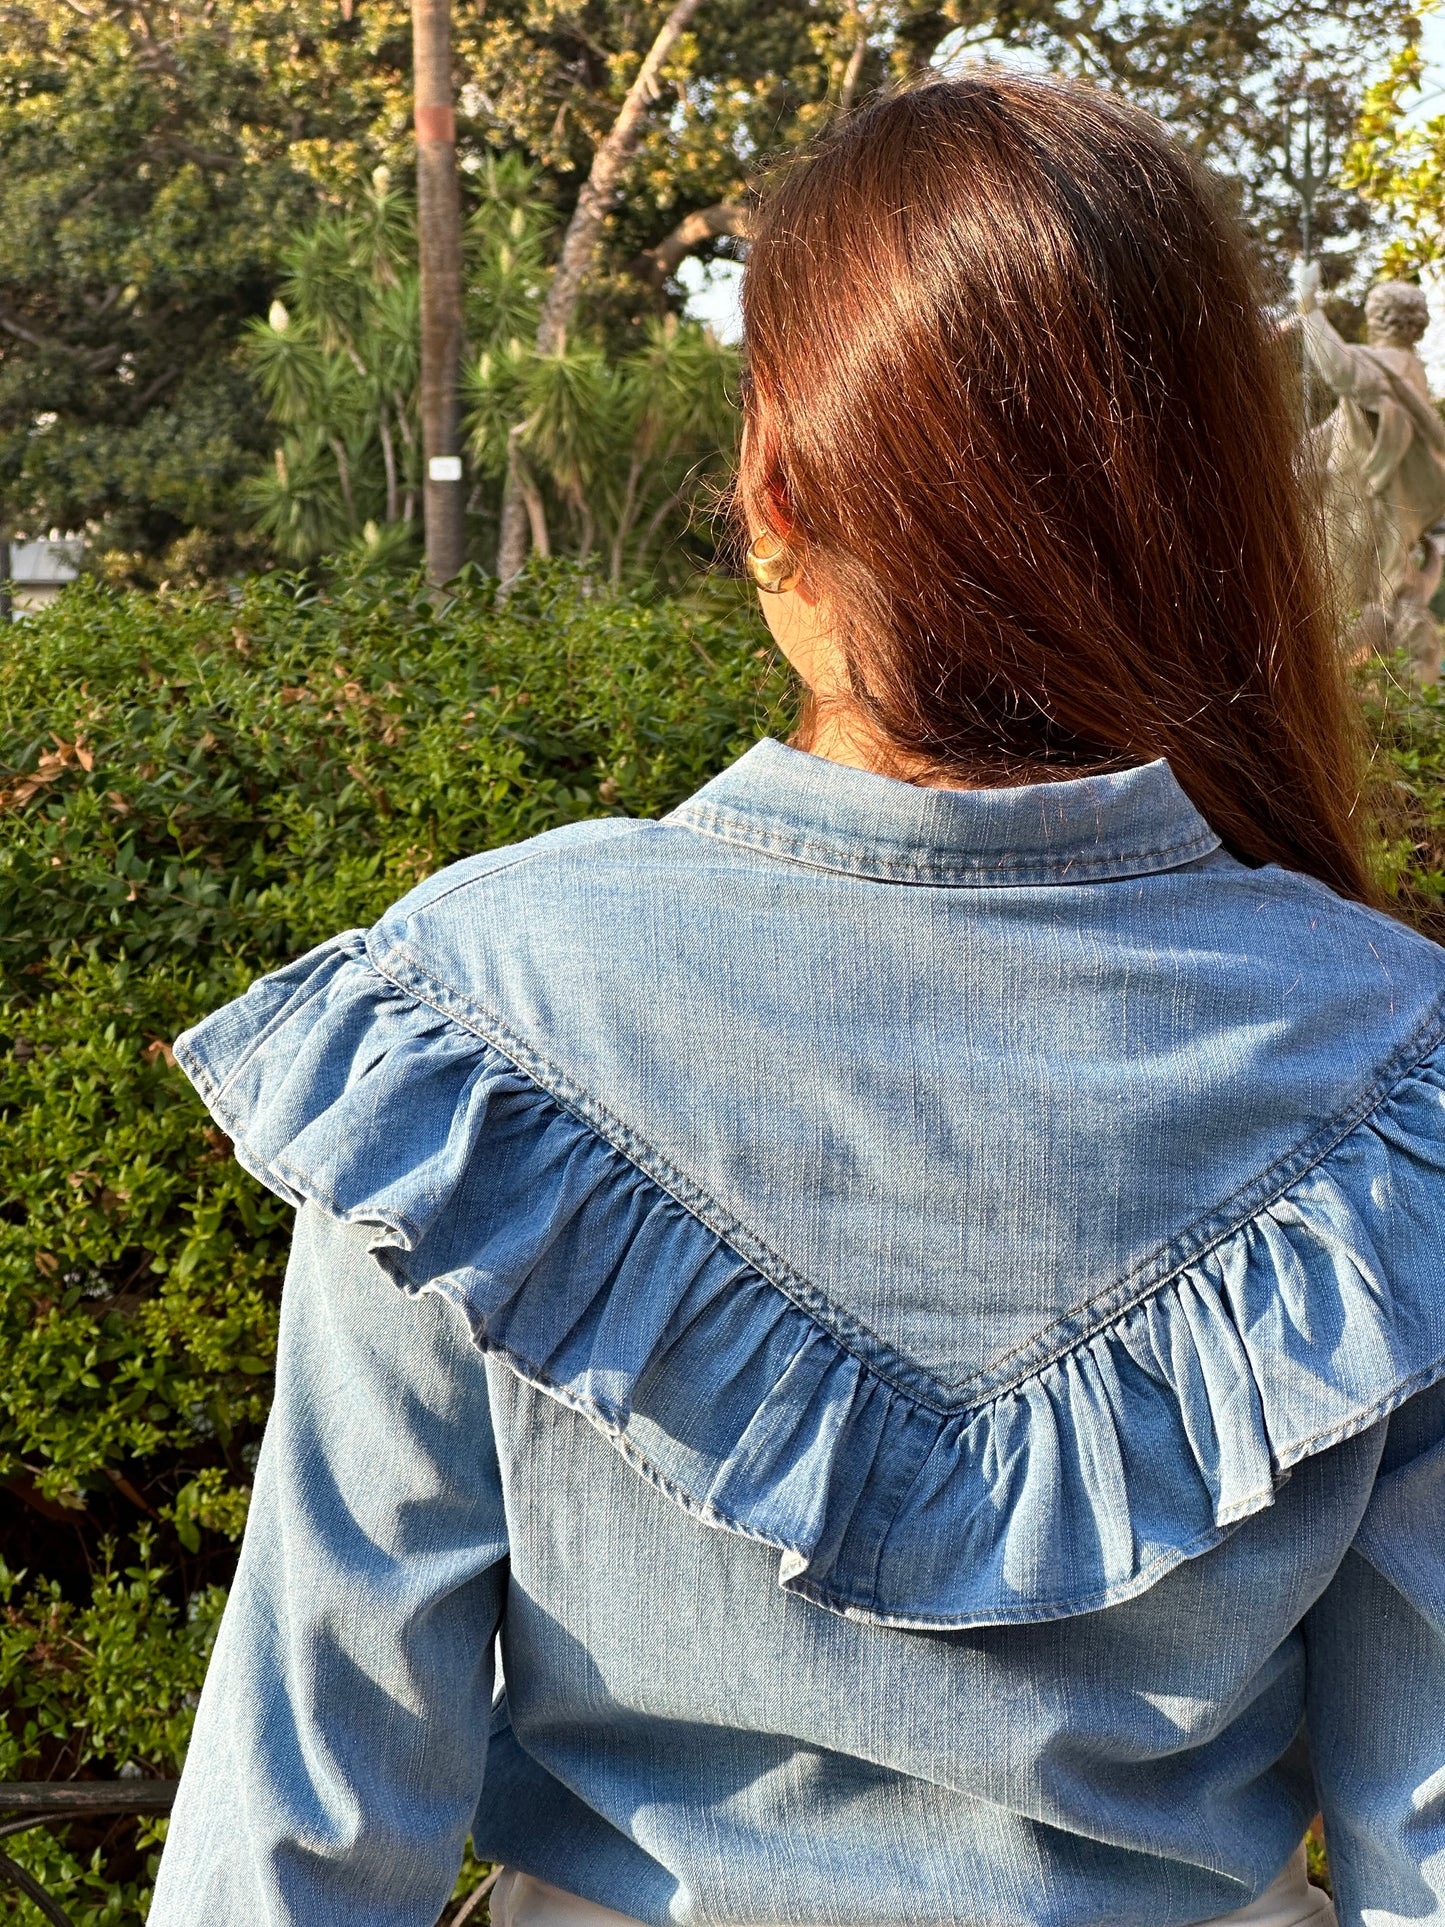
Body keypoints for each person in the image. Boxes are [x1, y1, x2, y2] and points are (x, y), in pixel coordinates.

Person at [151, 76, 1445, 1927]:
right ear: (1217, 510)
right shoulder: (1398, 1072)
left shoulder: (475, 1037)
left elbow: (302, 1817)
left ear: (771, 495)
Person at [1294, 261, 1445, 678]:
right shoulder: (1406, 368)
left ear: (1375, 318)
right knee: (1351, 605)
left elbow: (1342, 372)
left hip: (1359, 505)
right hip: (1357, 500)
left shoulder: (1390, 364)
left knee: (1338, 606)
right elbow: (1347, 420)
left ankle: (1354, 698)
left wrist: (1309, 306)